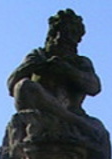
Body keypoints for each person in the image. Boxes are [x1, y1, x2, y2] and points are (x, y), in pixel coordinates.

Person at [7, 9, 103, 139]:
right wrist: (32, 66)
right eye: (58, 32)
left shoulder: (80, 62)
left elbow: (94, 88)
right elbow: (11, 85)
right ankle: (75, 121)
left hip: (73, 110)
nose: (60, 38)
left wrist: (68, 70)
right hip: (41, 110)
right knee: (23, 86)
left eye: (69, 34)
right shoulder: (38, 55)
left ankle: (70, 119)